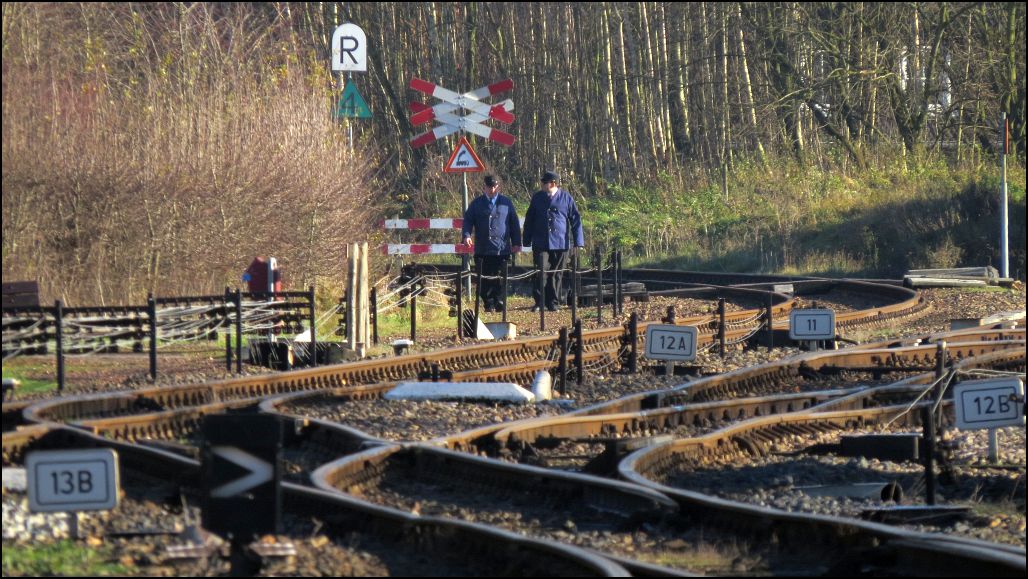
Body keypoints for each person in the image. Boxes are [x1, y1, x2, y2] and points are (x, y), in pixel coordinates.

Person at [522, 170, 584, 311]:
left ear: (553, 183)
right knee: (541, 271)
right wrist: (526, 240)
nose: (542, 184)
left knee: (556, 274)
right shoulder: (537, 197)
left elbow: (575, 220)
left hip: (560, 242)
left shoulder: (566, 198)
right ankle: (540, 302)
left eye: (544, 182)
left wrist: (578, 241)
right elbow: (529, 219)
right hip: (541, 242)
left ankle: (553, 302)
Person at [462, 175, 522, 312]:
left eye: (494, 187)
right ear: (484, 187)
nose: (492, 189)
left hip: (501, 248)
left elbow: (514, 223)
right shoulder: (476, 203)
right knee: (484, 277)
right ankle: (488, 303)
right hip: (483, 248)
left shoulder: (506, 203)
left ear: (498, 187)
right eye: (489, 187)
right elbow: (468, 221)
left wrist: (516, 242)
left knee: (500, 276)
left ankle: (499, 300)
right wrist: (466, 235)